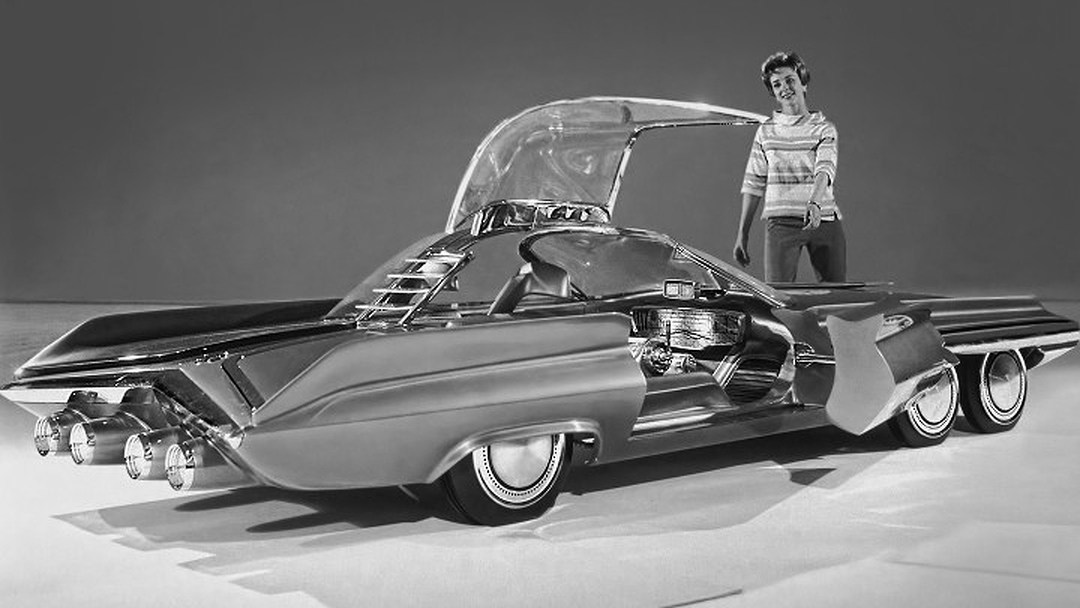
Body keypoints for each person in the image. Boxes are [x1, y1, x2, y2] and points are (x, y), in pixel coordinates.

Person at [733, 51, 846, 283]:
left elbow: (825, 169)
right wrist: (742, 234)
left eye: (790, 80)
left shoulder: (824, 129)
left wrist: (814, 203)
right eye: (777, 84)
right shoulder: (766, 132)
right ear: (773, 93)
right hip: (781, 224)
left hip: (824, 220)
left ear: (803, 83)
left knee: (836, 295)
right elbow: (753, 183)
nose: (784, 88)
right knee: (779, 296)